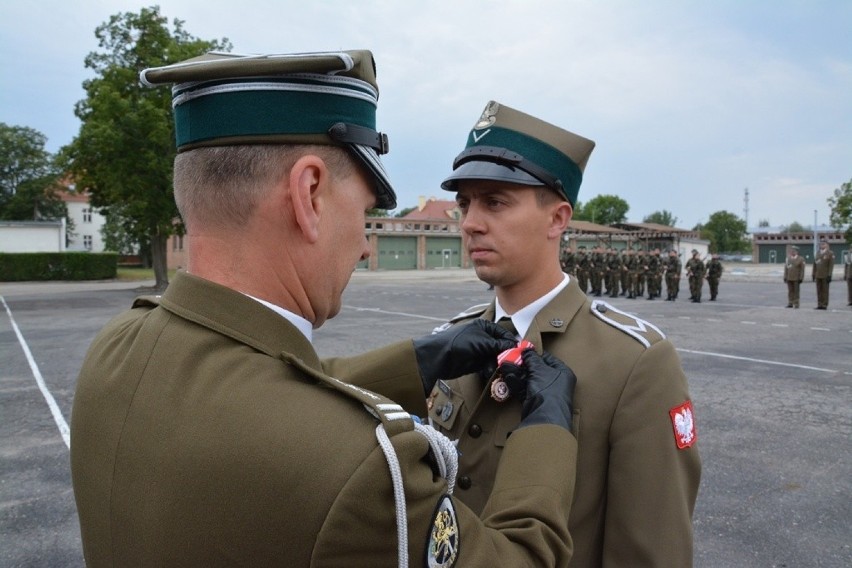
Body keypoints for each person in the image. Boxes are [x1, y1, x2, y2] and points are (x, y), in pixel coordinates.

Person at [70, 51, 581, 567]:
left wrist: (419, 360)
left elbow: (261, 386)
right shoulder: (359, 469)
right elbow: (518, 559)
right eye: (362, 212)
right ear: (309, 194)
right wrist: (548, 428)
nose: (364, 245)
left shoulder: (118, 347)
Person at [424, 101, 701, 567]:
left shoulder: (633, 362)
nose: (470, 223)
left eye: (494, 202)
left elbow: (650, 551)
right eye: (466, 204)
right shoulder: (452, 341)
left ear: (557, 219)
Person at [812, 239, 835, 309]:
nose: (822, 245)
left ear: (827, 245)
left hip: (825, 275)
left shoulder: (830, 253)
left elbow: (831, 265)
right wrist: (813, 274)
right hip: (818, 274)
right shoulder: (818, 253)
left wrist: (829, 275)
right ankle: (819, 304)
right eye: (820, 244)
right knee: (819, 291)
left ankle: (824, 304)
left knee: (825, 291)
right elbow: (815, 264)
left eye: (823, 244)